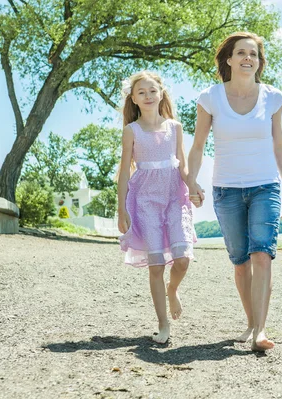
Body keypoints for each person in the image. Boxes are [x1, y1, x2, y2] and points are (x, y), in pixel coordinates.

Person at [187, 32, 282, 351]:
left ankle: (260, 331)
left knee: (262, 254)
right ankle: (250, 322)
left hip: (266, 186)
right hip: (227, 190)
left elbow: (280, 145)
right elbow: (197, 146)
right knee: (240, 261)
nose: (248, 58)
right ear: (229, 60)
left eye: (254, 54)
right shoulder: (211, 97)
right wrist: (191, 181)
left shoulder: (273, 98)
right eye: (242, 53)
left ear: (259, 63)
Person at [117, 71, 197, 344]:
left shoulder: (175, 128)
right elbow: (125, 172)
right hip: (145, 201)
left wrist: (193, 186)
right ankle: (163, 325)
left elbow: (182, 165)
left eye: (152, 91)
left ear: (161, 93)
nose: (148, 96)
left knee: (182, 259)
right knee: (156, 264)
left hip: (175, 196)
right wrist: (121, 210)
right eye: (141, 92)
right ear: (134, 99)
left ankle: (172, 289)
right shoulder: (132, 131)